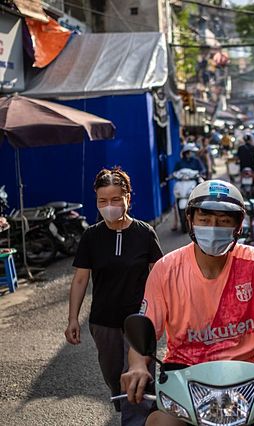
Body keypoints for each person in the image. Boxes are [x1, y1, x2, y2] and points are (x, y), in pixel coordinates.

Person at [120, 180, 254, 426]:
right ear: (190, 220)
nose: (213, 227)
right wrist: (137, 366)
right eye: (205, 218)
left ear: (238, 226)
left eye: (224, 220)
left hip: (246, 374)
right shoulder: (166, 269)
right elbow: (146, 325)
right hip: (183, 373)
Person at [65, 167, 163, 426]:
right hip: (103, 320)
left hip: (140, 321)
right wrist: (72, 318)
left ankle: (137, 418)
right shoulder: (91, 236)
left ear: (128, 197)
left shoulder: (144, 233)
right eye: (102, 201)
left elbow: (159, 276)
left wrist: (164, 314)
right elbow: (80, 279)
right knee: (113, 374)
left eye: (116, 199)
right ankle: (123, 399)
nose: (109, 206)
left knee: (138, 377)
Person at [171, 143, 205, 231]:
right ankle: (176, 222)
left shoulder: (196, 161)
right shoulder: (180, 163)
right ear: (187, 152)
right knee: (175, 202)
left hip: (193, 183)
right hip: (182, 185)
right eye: (191, 152)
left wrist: (201, 174)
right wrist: (172, 175)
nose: (193, 153)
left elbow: (202, 170)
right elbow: (174, 172)